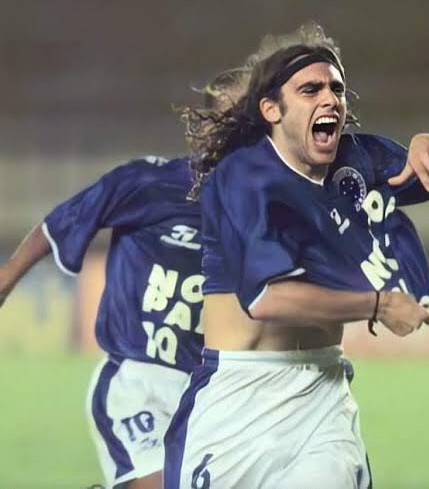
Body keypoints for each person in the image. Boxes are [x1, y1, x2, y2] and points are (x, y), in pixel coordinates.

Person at [164, 27, 429, 488]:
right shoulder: (242, 179)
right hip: (238, 398)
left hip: (323, 393)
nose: (330, 98)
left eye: (337, 87)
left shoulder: (361, 160)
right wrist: (377, 305)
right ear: (271, 110)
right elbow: (265, 299)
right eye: (311, 89)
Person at [0, 70, 249, 489]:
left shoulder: (259, 208)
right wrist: (7, 277)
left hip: (210, 391)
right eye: (228, 120)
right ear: (202, 128)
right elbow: (64, 222)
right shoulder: (148, 183)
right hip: (139, 382)